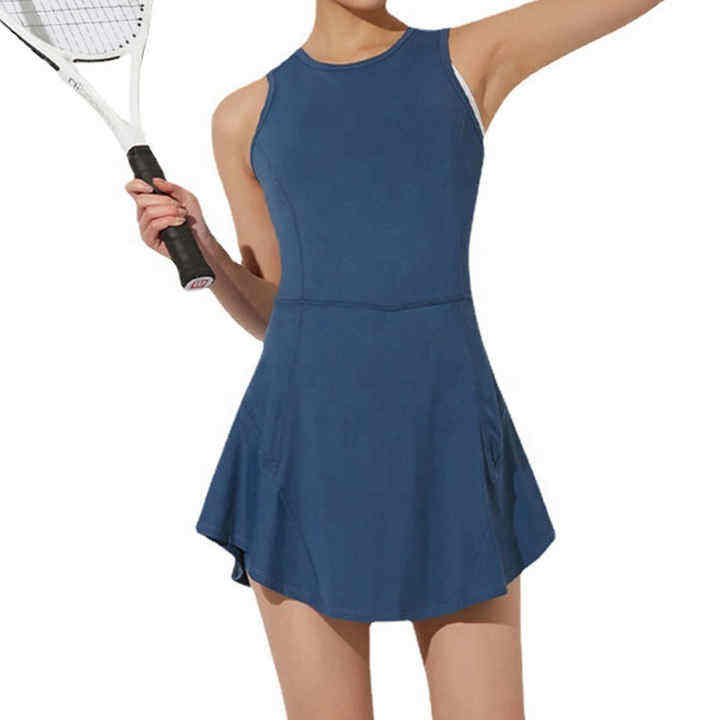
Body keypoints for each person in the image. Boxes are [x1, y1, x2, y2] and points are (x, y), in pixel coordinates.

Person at [127, 1, 663, 717]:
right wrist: (207, 250)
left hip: (447, 436)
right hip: (306, 445)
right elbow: (279, 314)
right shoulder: (243, 117)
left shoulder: (467, 61)